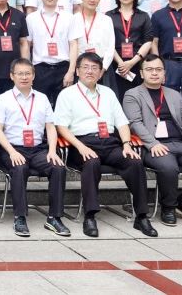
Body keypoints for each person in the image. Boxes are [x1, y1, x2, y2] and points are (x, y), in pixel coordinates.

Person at [53, 53, 158, 238]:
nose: (90, 71)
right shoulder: (67, 94)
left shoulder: (108, 93)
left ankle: (141, 216)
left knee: (134, 162)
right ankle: (90, 216)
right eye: (85, 67)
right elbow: (61, 127)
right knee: (91, 162)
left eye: (95, 68)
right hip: (81, 143)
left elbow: (122, 122)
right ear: (77, 71)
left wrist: (126, 145)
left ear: (101, 73)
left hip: (110, 143)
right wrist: (80, 147)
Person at [123, 55, 182, 227]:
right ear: (142, 73)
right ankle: (168, 207)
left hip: (180, 143)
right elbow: (135, 123)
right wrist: (153, 143)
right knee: (168, 167)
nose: (154, 73)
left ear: (164, 73)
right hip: (152, 145)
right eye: (149, 70)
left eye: (158, 70)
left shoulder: (173, 94)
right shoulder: (132, 94)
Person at [0, 59, 70, 237]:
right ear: (12, 76)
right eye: (20, 74)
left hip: (38, 149)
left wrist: (52, 151)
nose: (24, 77)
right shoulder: (3, 99)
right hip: (13, 148)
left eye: (27, 73)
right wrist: (12, 152)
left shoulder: (42, 98)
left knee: (58, 168)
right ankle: (20, 217)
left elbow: (50, 127)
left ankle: (54, 217)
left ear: (33, 76)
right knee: (19, 168)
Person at [26, 0, 79, 105]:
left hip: (63, 68)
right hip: (40, 69)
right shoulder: (31, 18)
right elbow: (27, 45)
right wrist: (28, 70)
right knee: (39, 106)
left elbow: (74, 45)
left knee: (65, 106)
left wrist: (71, 71)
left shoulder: (69, 17)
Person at [106, 0, 155, 97]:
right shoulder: (109, 16)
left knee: (138, 97)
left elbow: (148, 41)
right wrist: (121, 63)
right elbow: (107, 41)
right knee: (116, 96)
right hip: (115, 64)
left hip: (137, 63)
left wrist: (132, 62)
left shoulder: (143, 16)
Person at [73, 0, 116, 74]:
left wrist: (103, 68)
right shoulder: (74, 19)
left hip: (102, 66)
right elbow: (72, 46)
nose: (92, 0)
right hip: (81, 66)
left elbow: (110, 47)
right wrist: (78, 67)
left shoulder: (106, 20)